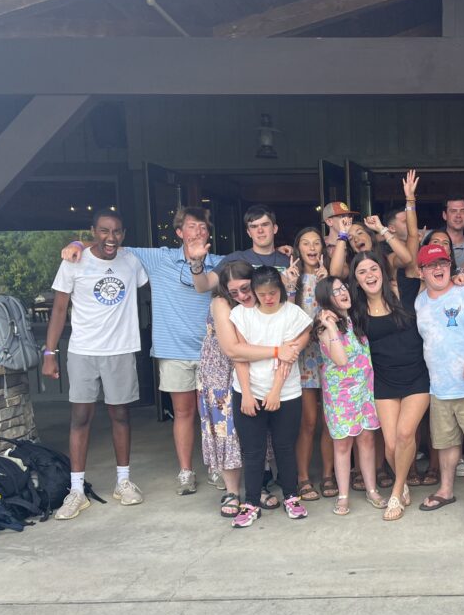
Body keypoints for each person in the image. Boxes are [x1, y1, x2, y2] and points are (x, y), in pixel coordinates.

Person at [62, 206, 224, 496]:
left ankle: (216, 465)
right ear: (179, 233)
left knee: (213, 413)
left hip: (212, 349)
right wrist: (76, 244)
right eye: (191, 226)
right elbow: (111, 245)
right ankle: (186, 471)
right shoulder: (158, 257)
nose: (197, 231)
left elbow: (253, 264)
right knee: (184, 413)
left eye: (202, 227)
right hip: (173, 349)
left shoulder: (221, 263)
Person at [43, 209, 148, 519]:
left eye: (116, 231)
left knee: (120, 414)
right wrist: (49, 353)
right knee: (80, 416)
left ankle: (123, 482)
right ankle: (76, 490)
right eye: (104, 231)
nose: (110, 237)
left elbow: (153, 283)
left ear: (123, 234)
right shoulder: (74, 261)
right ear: (93, 231)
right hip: (83, 350)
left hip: (120, 349)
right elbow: (59, 310)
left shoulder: (131, 261)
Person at [199, 260, 300, 517]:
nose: (241, 296)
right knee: (228, 432)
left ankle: (259, 487)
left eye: (245, 289)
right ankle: (233, 491)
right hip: (221, 373)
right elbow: (233, 350)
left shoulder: (261, 304)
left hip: (257, 372)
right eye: (234, 292)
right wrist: (279, 351)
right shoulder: (222, 304)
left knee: (257, 436)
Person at [414, 242, 464, 511]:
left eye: (442, 263)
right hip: (440, 388)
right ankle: (446, 490)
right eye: (431, 265)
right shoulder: (420, 301)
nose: (438, 269)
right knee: (446, 444)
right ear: (422, 272)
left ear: (450, 266)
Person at [349, 249, 431, 521]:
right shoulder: (355, 309)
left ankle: (396, 493)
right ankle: (403, 481)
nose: (369, 275)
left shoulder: (405, 291)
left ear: (382, 272)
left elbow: (421, 268)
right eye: (362, 272)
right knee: (392, 446)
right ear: (356, 279)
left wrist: (459, 281)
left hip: (417, 376)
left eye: (373, 269)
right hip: (383, 379)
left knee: (406, 434)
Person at [229, 266, 312, 528]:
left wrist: (275, 392)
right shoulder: (241, 314)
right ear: (254, 292)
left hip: (285, 392)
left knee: (285, 447)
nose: (268, 298)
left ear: (282, 290)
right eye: (262, 293)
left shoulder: (293, 314)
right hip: (247, 391)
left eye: (273, 292)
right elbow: (239, 356)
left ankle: (291, 496)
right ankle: (251, 502)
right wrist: (247, 394)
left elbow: (288, 357)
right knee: (252, 451)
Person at [314, 277, 382, 515]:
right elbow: (341, 359)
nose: (343, 292)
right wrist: (332, 327)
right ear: (325, 299)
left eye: (344, 287)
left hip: (365, 391)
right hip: (341, 395)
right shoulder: (324, 327)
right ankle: (343, 496)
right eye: (335, 291)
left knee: (366, 440)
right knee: (343, 444)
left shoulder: (355, 319)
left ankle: (371, 489)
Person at [281, 227, 335, 504]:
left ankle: (328, 474)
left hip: (329, 352)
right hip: (304, 355)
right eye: (306, 243)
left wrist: (330, 285)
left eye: (316, 243)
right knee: (308, 421)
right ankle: (302, 477)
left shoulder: (331, 276)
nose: (312, 247)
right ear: (297, 249)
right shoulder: (291, 277)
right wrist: (290, 287)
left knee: (329, 420)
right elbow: (285, 319)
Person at [443, 196, 464, 270]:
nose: (458, 216)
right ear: (445, 215)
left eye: (463, 211)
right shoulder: (430, 240)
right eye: (453, 211)